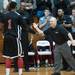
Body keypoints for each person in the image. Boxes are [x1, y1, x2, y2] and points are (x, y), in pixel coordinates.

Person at [2, 1, 24, 75]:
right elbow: (25, 27)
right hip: (14, 37)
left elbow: (1, 26)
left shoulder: (4, 15)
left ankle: (7, 74)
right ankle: (20, 74)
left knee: (8, 57)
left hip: (6, 37)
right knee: (20, 56)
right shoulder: (18, 15)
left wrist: (3, 33)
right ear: (16, 7)